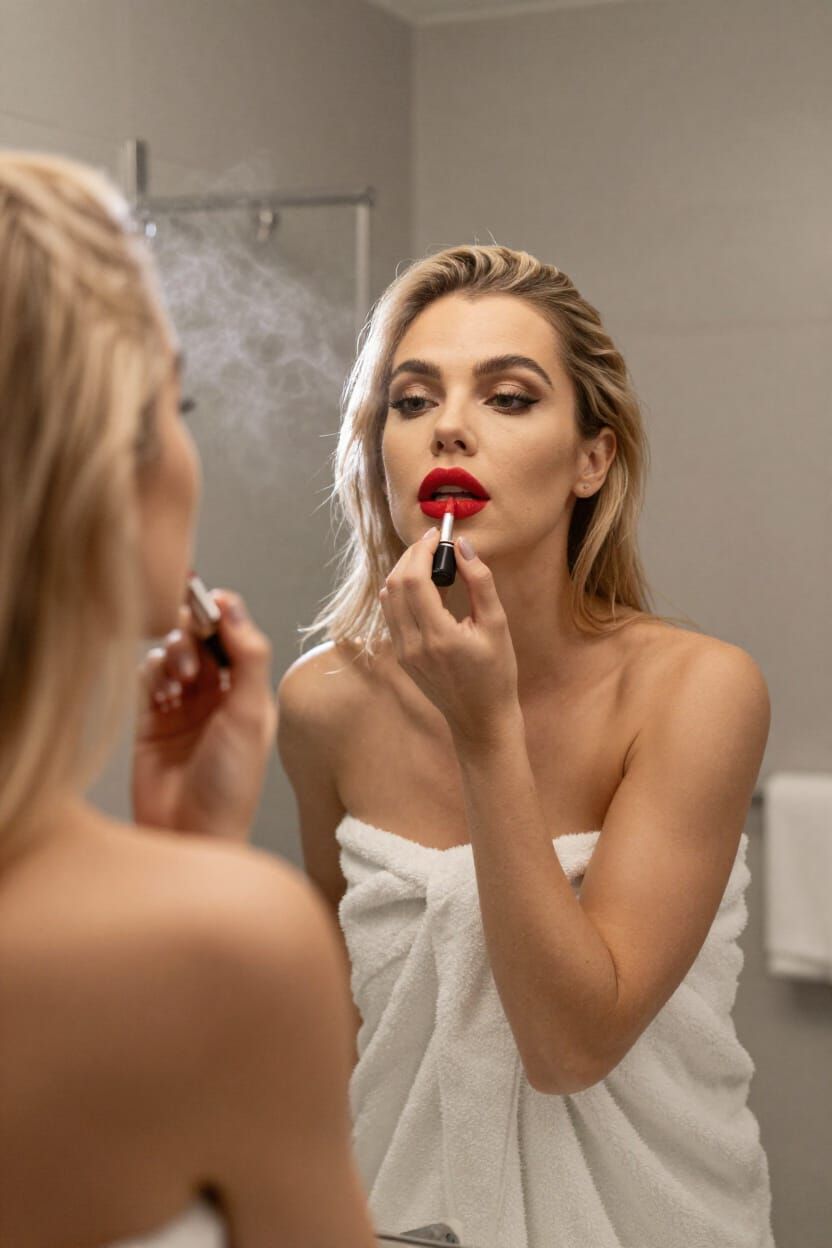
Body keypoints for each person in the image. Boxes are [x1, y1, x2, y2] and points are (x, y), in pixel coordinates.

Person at [276, 245, 776, 1246]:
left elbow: (568, 1047)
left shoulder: (693, 692)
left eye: (507, 399)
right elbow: (350, 1022)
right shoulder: (323, 703)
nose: (447, 426)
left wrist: (484, 730)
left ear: (592, 458)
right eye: (410, 403)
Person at [0, 152, 377, 1248]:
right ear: (95, 469)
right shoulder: (229, 953)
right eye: (176, 401)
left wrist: (183, 850)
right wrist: (201, 884)